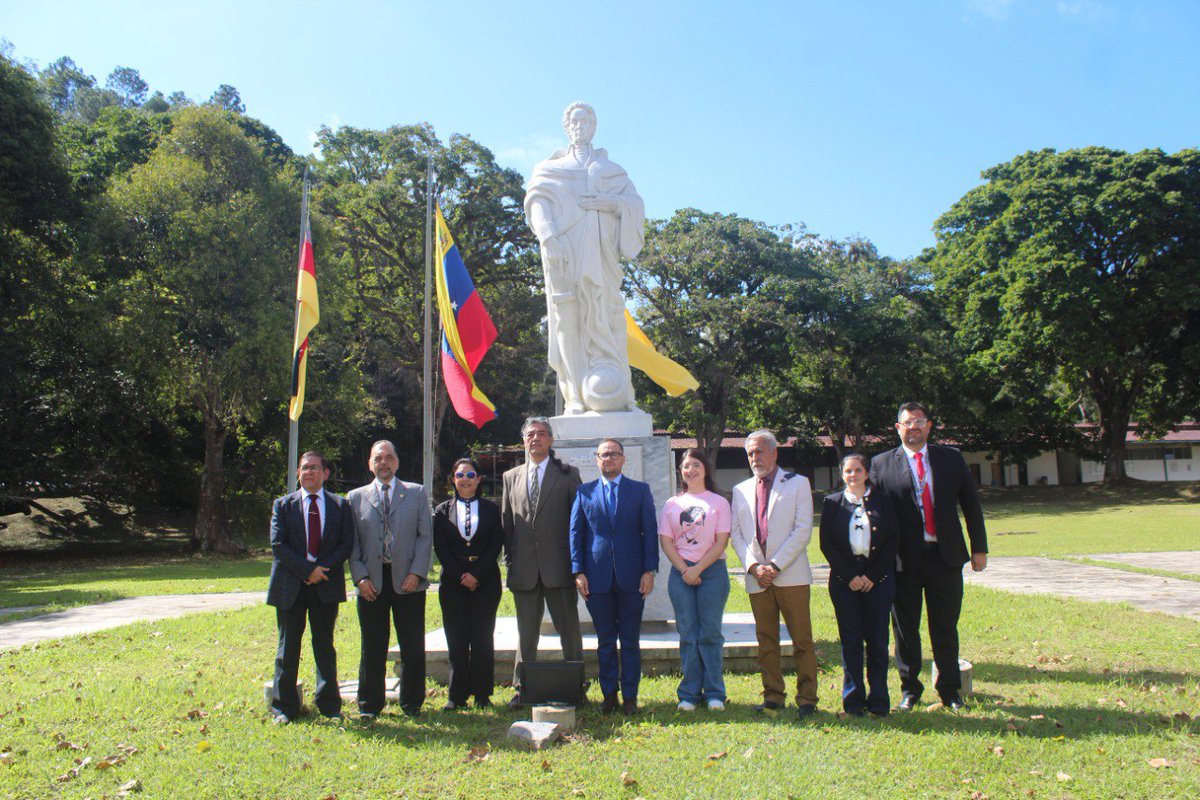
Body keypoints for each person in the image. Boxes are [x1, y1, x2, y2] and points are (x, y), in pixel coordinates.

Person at [524, 101, 646, 413]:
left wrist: (610, 203)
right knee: (568, 319)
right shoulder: (549, 169)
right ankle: (575, 395)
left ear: (594, 127)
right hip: (564, 254)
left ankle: (620, 390)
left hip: (602, 257)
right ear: (567, 127)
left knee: (607, 315)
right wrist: (549, 236)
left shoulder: (611, 171)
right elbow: (537, 202)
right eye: (574, 122)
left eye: (586, 122)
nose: (580, 127)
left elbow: (634, 204)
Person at [869, 402, 988, 712]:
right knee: (905, 629)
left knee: (945, 625)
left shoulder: (950, 458)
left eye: (920, 421)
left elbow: (971, 505)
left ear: (929, 426)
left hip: (945, 556)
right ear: (898, 428)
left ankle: (950, 690)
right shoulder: (881, 465)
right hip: (902, 561)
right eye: (908, 422)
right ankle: (910, 690)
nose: (914, 427)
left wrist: (979, 549)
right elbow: (874, 516)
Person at [730, 430, 819, 718]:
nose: (755, 458)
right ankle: (772, 696)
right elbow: (737, 535)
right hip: (758, 578)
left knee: (802, 640)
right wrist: (755, 567)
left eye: (760, 451)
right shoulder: (740, 490)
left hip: (790, 575)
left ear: (774, 453)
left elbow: (803, 530)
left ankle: (807, 699)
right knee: (766, 640)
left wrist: (775, 565)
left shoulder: (797, 484)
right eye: (751, 453)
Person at [500, 416, 584, 707]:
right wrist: (510, 561)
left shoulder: (568, 474)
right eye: (530, 434)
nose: (535, 438)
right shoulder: (511, 477)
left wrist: (578, 567)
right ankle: (522, 687)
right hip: (524, 569)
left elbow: (578, 523)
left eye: (541, 434)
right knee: (526, 632)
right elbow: (507, 523)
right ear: (523, 441)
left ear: (551, 440)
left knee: (569, 631)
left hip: (559, 568)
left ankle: (577, 685)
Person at [571, 438, 658, 714]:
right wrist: (578, 571)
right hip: (596, 579)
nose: (609, 459)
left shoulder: (640, 491)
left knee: (630, 640)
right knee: (605, 640)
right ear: (597, 459)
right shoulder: (584, 492)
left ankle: (630, 696)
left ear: (623, 459)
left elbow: (649, 532)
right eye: (604, 454)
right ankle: (609, 695)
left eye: (614, 454)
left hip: (632, 577)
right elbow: (576, 534)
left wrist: (649, 570)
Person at [267, 451, 355, 724]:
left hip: (325, 585)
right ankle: (284, 707)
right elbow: (278, 545)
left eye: (314, 468)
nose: (309, 472)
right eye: (304, 468)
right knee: (287, 647)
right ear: (297, 473)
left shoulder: (340, 506)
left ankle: (329, 705)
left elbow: (346, 544)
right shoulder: (283, 505)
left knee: (324, 646)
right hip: (290, 586)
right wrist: (308, 571)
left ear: (325, 473)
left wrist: (320, 571)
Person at [347, 440, 433, 720]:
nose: (383, 463)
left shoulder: (416, 493)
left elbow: (425, 537)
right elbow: (353, 544)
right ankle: (369, 705)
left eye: (389, 458)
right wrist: (360, 578)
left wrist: (416, 573)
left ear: (397, 462)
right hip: (372, 582)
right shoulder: (356, 497)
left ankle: (412, 703)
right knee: (372, 644)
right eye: (378, 458)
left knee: (412, 644)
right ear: (370, 464)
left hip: (408, 580)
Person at [819, 453, 900, 717]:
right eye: (847, 471)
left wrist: (872, 576)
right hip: (845, 581)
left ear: (866, 473)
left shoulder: (884, 501)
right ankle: (853, 702)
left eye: (857, 470)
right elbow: (826, 544)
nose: (852, 475)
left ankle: (879, 701)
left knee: (877, 641)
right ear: (841, 474)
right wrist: (850, 576)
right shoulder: (832, 503)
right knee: (851, 641)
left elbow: (892, 541)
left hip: (879, 579)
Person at [659, 448, 732, 712]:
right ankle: (689, 693)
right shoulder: (672, 504)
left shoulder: (719, 502)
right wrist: (685, 570)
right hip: (681, 574)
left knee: (710, 634)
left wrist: (698, 568)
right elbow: (666, 542)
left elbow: (722, 541)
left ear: (706, 469)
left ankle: (714, 692)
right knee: (688, 634)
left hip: (712, 572)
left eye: (696, 465)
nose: (691, 470)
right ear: (681, 471)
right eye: (686, 466)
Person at [432, 458, 503, 710]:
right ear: (453, 479)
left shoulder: (492, 509)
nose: (465, 479)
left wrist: (477, 574)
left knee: (483, 638)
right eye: (460, 475)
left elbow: (496, 543)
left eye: (470, 474)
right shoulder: (442, 511)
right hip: (453, 583)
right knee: (457, 639)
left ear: (478, 479)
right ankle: (456, 696)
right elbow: (441, 547)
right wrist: (461, 574)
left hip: (485, 581)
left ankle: (483, 694)